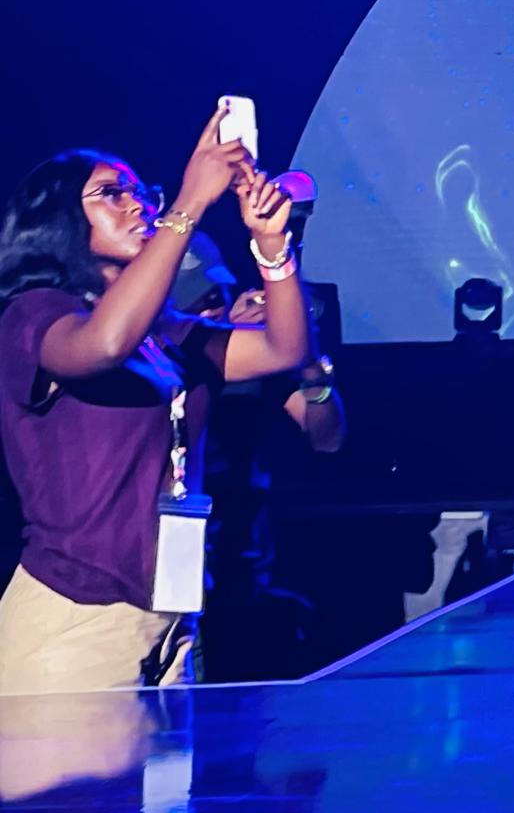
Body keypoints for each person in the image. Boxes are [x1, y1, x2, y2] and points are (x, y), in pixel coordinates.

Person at [0, 112, 309, 692]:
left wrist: (271, 246)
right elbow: (103, 345)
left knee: (170, 759)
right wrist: (189, 203)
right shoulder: (36, 313)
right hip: (75, 620)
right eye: (111, 194)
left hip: (170, 622)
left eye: (141, 192)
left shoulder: (164, 331)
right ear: (57, 220)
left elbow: (283, 348)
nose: (137, 204)